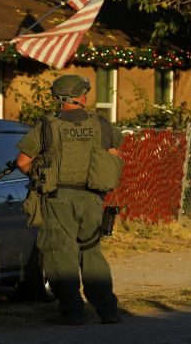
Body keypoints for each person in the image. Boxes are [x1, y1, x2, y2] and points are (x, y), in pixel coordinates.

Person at [15, 74, 122, 325]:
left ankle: (73, 312)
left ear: (59, 97)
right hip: (92, 198)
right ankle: (107, 310)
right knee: (92, 252)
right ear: (81, 96)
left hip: (57, 198)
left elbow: (22, 162)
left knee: (60, 254)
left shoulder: (46, 125)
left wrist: (42, 174)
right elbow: (115, 157)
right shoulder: (101, 125)